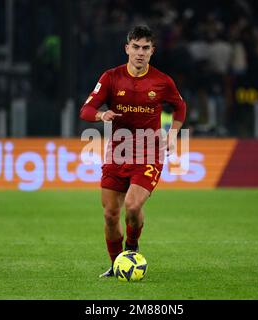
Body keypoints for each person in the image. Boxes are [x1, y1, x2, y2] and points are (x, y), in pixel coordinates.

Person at [79, 25, 186, 278]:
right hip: (118, 153)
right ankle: (117, 265)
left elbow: (180, 107)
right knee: (110, 214)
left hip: (149, 152)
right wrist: (102, 113)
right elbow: (85, 110)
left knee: (133, 206)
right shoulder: (111, 78)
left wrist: (172, 134)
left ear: (152, 51)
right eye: (135, 47)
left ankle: (132, 248)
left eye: (145, 48)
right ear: (127, 48)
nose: (140, 53)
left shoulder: (162, 81)